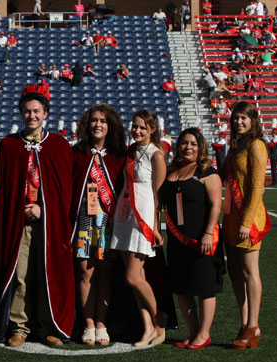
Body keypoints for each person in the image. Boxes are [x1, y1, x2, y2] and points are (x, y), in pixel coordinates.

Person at [0, 84, 75, 347]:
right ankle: (19, 326)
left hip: (50, 223)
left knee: (48, 272)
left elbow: (66, 192)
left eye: (36, 111)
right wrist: (19, 209)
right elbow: (3, 187)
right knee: (21, 275)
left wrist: (44, 208)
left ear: (45, 113)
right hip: (19, 223)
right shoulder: (9, 145)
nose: (32, 116)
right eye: (27, 111)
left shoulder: (59, 145)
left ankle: (48, 326)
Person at [160, 128, 224, 349]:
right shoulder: (172, 170)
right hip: (177, 240)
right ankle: (194, 332)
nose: (188, 147)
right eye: (184, 143)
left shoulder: (207, 171)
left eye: (193, 144)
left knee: (204, 286)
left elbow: (216, 205)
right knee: (181, 287)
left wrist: (208, 233)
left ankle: (204, 334)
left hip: (201, 238)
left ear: (201, 147)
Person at [70, 104, 126, 346]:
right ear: (86, 124)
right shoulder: (77, 153)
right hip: (83, 220)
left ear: (110, 125)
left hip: (108, 221)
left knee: (104, 273)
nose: (98, 125)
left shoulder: (118, 156)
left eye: (103, 120)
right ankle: (88, 324)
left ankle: (101, 324)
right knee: (85, 271)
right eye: (93, 120)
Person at [110, 109, 167, 347]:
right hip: (124, 214)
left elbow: (157, 194)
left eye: (142, 127)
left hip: (142, 215)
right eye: (135, 126)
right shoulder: (130, 152)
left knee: (133, 277)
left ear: (152, 129)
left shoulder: (157, 155)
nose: (137, 131)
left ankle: (160, 318)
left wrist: (155, 226)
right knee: (136, 278)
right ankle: (148, 329)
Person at [221, 101, 271, 350]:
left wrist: (247, 220)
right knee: (235, 271)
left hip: (248, 218)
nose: (238, 122)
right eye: (235, 118)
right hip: (231, 217)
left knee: (250, 271)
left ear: (253, 120)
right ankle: (244, 323)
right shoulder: (235, 146)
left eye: (243, 118)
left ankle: (253, 325)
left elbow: (258, 187)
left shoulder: (257, 145)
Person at [264, 119, 277, 186]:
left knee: (273, 169)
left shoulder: (276, 138)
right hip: (273, 154)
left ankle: (274, 181)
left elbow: (271, 145)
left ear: (275, 133)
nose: (272, 133)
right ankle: (274, 181)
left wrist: (266, 137)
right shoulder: (275, 138)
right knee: (273, 168)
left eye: (273, 132)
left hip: (274, 154)